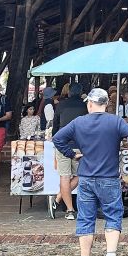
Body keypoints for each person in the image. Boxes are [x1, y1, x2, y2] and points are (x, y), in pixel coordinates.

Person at [53, 87, 128, 256]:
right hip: (109, 178)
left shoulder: (79, 122)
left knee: (85, 218)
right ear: (106, 104)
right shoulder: (115, 121)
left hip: (86, 177)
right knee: (113, 216)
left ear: (90, 104)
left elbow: (58, 138)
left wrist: (71, 154)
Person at [53, 82, 90, 218]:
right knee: (82, 174)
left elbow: (55, 126)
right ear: (81, 93)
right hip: (80, 145)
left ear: (69, 92)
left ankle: (68, 208)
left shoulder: (61, 105)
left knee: (64, 176)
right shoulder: (85, 106)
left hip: (62, 144)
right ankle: (59, 199)